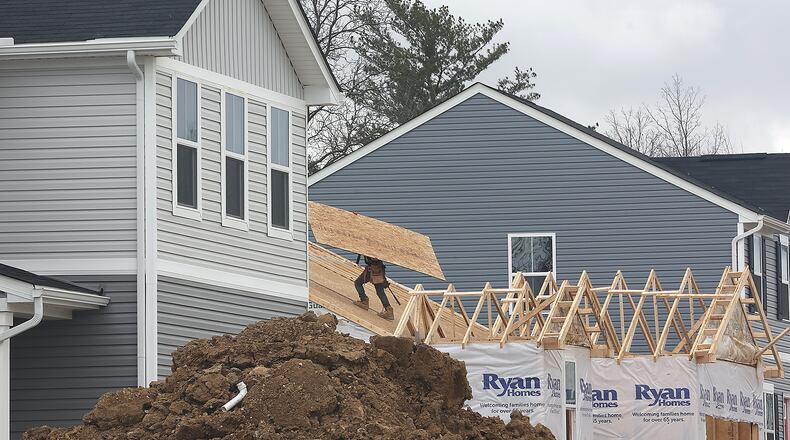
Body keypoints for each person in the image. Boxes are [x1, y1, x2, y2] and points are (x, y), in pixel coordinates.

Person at [353, 256, 394, 320]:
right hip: (377, 270)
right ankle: (389, 310)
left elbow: (375, 258)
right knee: (380, 292)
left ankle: (364, 301)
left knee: (357, 283)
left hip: (373, 270)